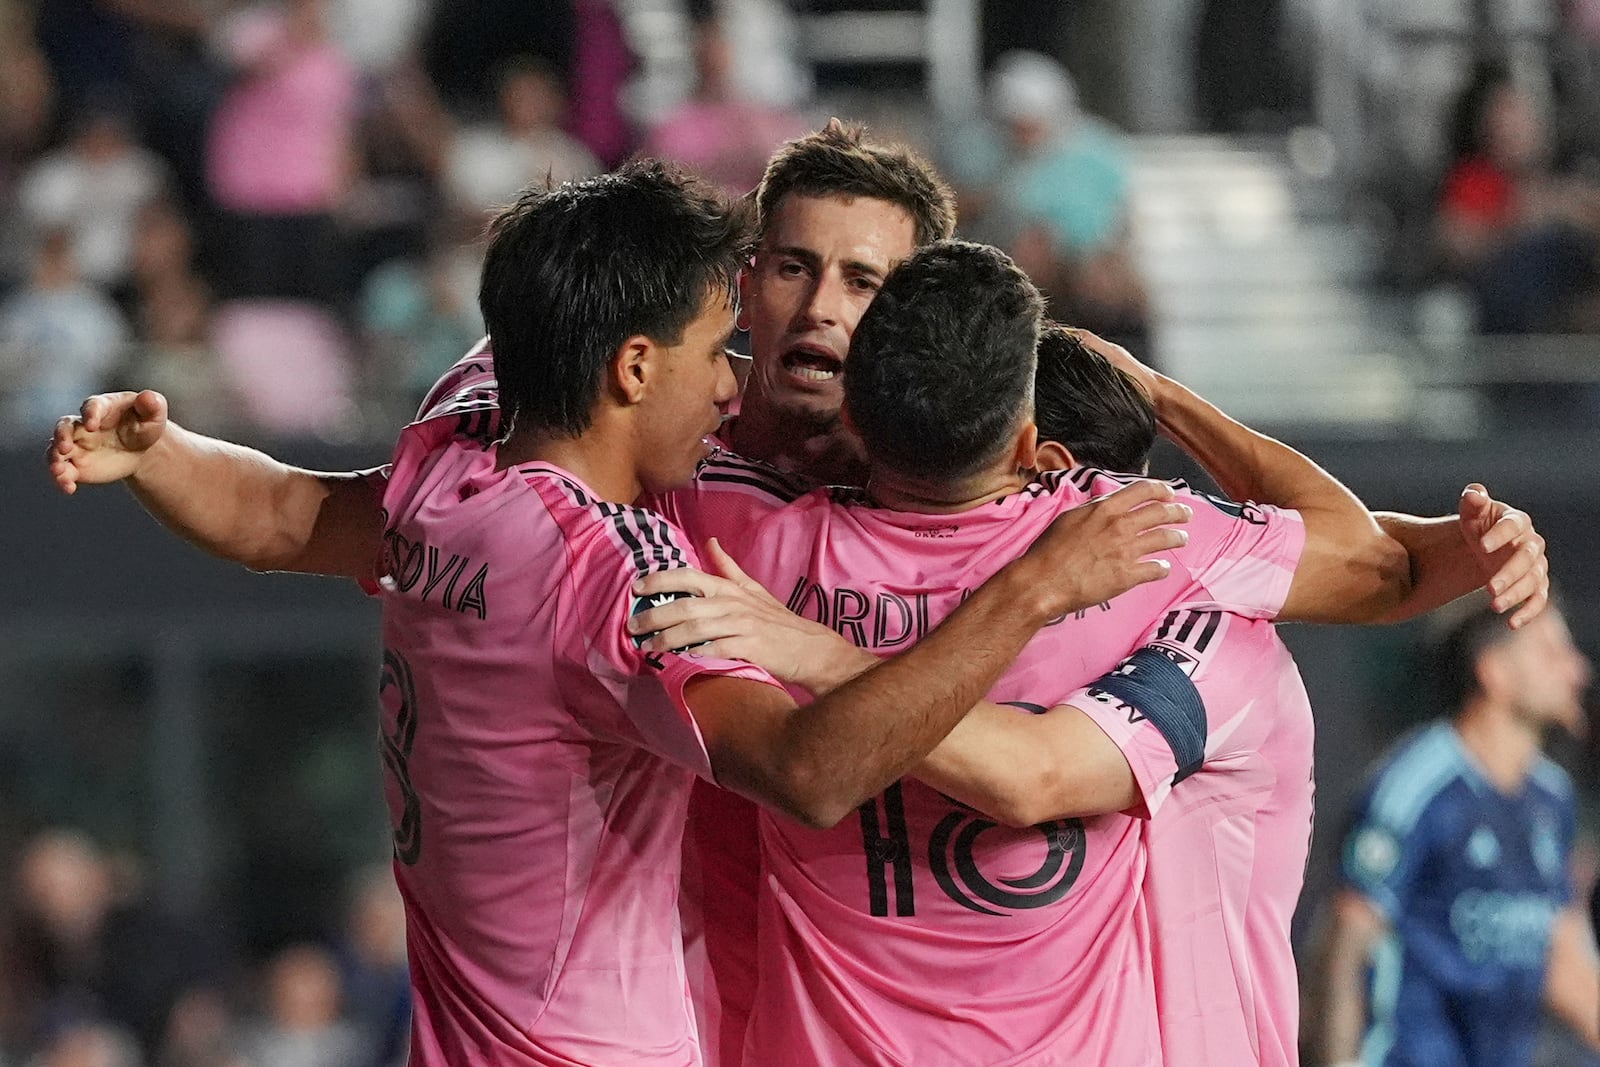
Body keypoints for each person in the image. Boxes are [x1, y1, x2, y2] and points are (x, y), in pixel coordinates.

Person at [53, 160, 1183, 1066]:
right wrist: (1030, 590)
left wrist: (160, 453)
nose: (732, 380)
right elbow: (808, 769)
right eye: (712, 351)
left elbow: (284, 514)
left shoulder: (461, 447)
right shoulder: (621, 580)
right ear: (633, 368)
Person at [1315, 595, 1599, 1067]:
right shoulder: (1417, 785)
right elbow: (1346, 944)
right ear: (1494, 672)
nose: (1577, 670)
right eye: (1551, 652)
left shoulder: (1553, 798)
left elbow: (1563, 960)